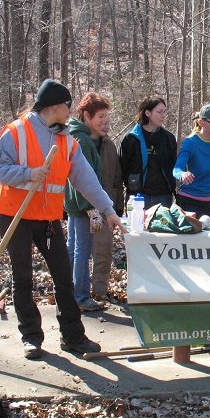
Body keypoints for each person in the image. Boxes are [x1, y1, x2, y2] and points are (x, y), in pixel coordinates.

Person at [0, 79, 126, 360]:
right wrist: (27, 173)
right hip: (16, 216)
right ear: (54, 106)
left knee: (64, 277)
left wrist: (108, 210)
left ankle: (73, 337)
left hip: (49, 220)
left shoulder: (67, 141)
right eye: (67, 105)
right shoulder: (15, 132)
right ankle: (31, 337)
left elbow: (86, 180)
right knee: (23, 277)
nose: (70, 110)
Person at [65, 92, 111, 312]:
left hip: (79, 206)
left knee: (75, 249)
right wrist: (92, 208)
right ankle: (80, 297)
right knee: (81, 251)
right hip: (83, 206)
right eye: (100, 116)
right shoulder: (81, 139)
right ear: (86, 115)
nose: (104, 121)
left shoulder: (82, 137)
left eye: (106, 117)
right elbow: (82, 180)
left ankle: (72, 294)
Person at [120, 97, 177, 209]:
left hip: (164, 196)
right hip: (138, 196)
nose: (163, 115)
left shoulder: (168, 138)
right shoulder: (131, 138)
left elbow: (173, 165)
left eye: (165, 111)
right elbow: (123, 167)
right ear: (147, 113)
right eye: (159, 111)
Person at [90, 113, 123, 301]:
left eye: (108, 121)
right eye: (101, 120)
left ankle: (99, 290)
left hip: (104, 209)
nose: (105, 125)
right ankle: (77, 291)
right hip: (85, 207)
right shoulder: (80, 143)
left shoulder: (109, 146)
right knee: (80, 251)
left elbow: (117, 179)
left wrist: (117, 206)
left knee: (103, 249)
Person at [173, 104, 210, 217]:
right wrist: (183, 174)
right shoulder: (190, 142)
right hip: (188, 199)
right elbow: (176, 169)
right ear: (201, 122)